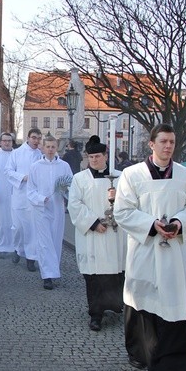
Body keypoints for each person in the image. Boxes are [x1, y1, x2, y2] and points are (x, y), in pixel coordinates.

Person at [113, 123, 186, 371]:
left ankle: (168, 367)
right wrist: (153, 225)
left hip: (173, 251)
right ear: (151, 144)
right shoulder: (132, 175)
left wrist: (177, 222)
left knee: (172, 306)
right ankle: (140, 351)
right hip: (145, 248)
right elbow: (123, 211)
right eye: (163, 141)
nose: (168, 146)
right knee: (141, 299)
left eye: (172, 142)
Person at [68, 135, 126, 330]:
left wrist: (118, 200)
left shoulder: (119, 177)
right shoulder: (79, 179)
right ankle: (95, 315)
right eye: (91, 157)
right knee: (93, 277)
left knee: (112, 274)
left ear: (105, 155)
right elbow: (74, 204)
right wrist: (93, 223)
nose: (94, 160)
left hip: (113, 234)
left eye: (98, 156)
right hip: (92, 234)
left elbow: (129, 202)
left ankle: (113, 306)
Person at [27, 136, 73, 290]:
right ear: (43, 148)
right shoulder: (35, 166)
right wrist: (40, 199)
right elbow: (30, 190)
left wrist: (65, 192)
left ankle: (53, 270)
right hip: (41, 209)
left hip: (58, 208)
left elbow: (71, 185)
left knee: (55, 240)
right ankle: (47, 275)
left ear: (57, 148)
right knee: (44, 241)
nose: (51, 150)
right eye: (48, 147)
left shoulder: (64, 166)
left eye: (53, 147)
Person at [5, 128, 43, 271]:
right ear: (28, 138)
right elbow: (8, 171)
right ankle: (17, 248)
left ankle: (31, 258)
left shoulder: (41, 155)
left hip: (34, 199)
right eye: (34, 137)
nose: (36, 141)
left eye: (39, 138)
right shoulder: (17, 153)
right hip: (20, 196)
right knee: (18, 228)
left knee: (32, 229)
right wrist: (23, 177)